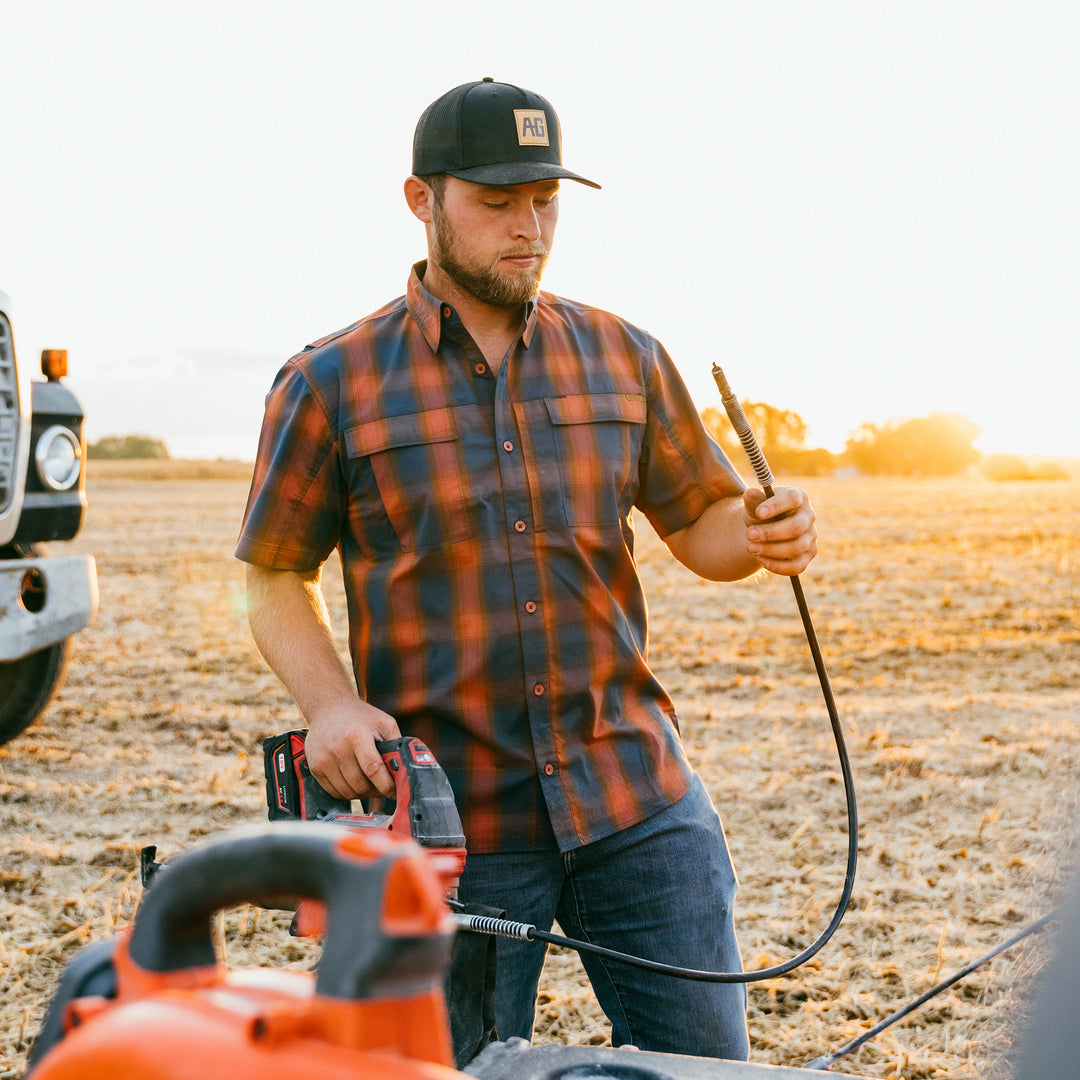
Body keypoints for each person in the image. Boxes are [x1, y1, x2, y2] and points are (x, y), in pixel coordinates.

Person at [236, 78, 818, 1063]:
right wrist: (332, 706)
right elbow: (271, 579)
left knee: (705, 1070)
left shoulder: (624, 356)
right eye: (496, 203)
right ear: (422, 200)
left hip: (638, 802)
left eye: (545, 200)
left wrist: (763, 532)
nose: (530, 227)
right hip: (452, 834)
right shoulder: (330, 382)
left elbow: (703, 523)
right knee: (440, 1072)